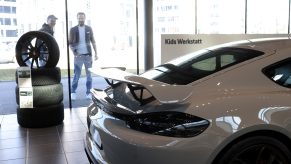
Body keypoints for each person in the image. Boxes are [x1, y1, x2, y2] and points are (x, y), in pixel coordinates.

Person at [69, 12, 98, 100]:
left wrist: (96, 53)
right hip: (78, 57)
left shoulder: (89, 28)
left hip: (88, 56)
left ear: (84, 18)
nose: (81, 19)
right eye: (79, 18)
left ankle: (88, 93)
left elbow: (93, 41)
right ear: (77, 18)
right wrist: (75, 53)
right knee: (76, 75)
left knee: (89, 76)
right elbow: (70, 43)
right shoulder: (73, 29)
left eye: (82, 18)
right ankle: (73, 92)